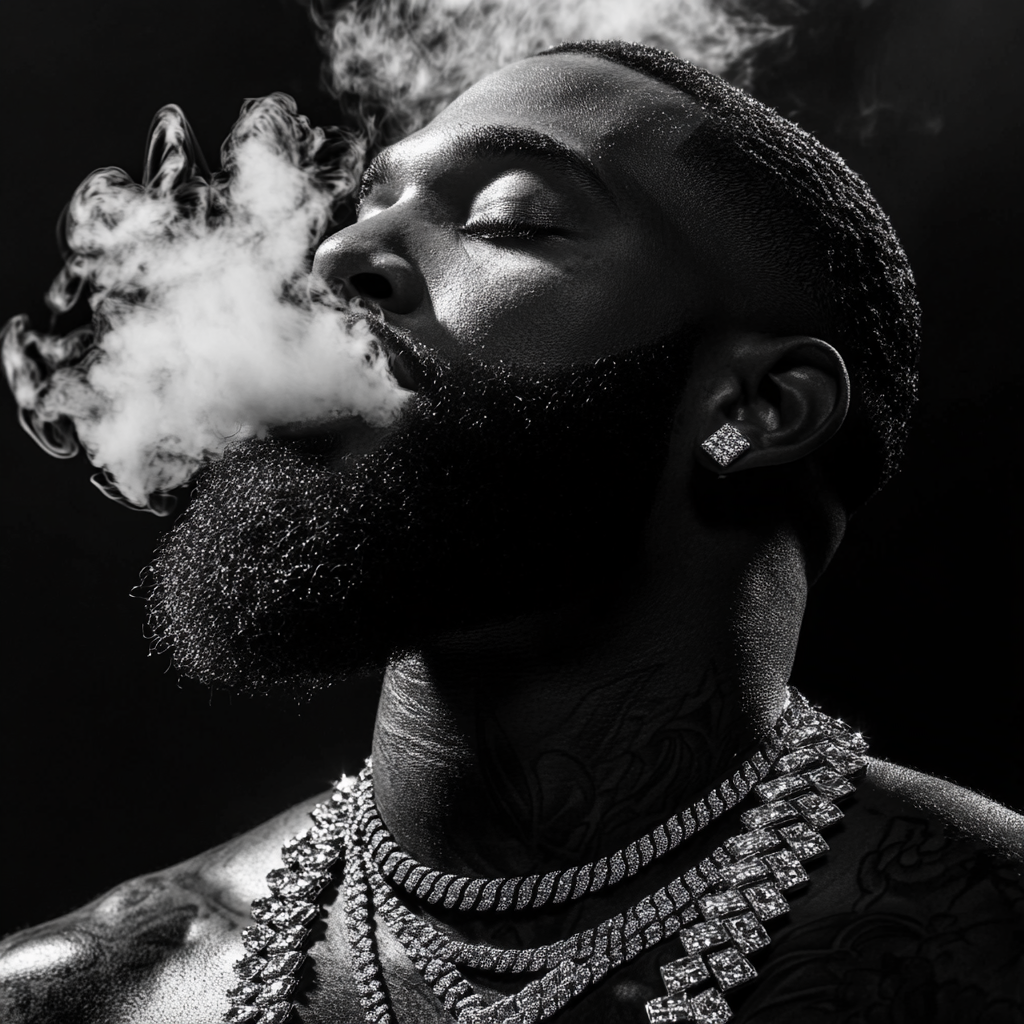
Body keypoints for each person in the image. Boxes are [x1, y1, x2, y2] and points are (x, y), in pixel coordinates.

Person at [0, 39, 1020, 1024]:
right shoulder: (81, 992)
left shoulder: (985, 946)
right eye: (364, 207)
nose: (340, 252)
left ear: (755, 408)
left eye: (507, 218)